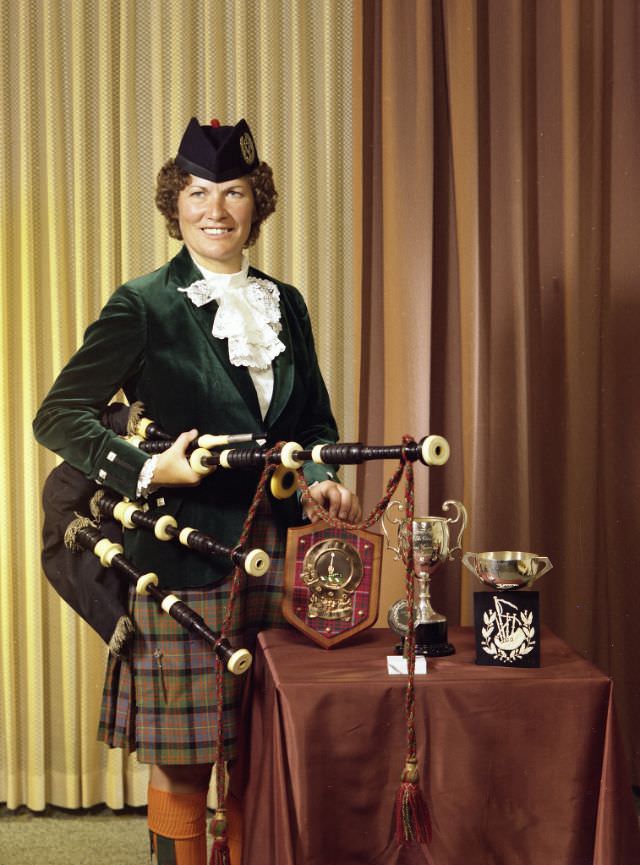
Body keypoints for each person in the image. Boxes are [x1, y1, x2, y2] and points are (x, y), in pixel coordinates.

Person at [33, 116, 361, 865]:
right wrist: (149, 469)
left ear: (258, 202)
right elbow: (57, 415)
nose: (216, 208)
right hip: (183, 559)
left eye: (234, 191)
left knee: (265, 750)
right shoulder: (142, 304)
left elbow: (313, 422)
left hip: (281, 558)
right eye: (198, 191)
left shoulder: (289, 303)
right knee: (186, 759)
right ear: (174, 203)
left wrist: (320, 476)